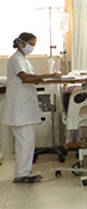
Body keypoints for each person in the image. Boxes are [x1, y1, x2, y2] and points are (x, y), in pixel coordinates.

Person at [3, 33, 61, 183]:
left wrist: (48, 77)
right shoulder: (16, 59)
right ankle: (22, 174)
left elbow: (33, 78)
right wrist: (50, 75)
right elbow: (26, 78)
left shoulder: (23, 60)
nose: (32, 47)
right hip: (19, 109)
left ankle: (24, 172)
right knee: (24, 142)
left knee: (27, 142)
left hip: (24, 109)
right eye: (31, 44)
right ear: (21, 43)